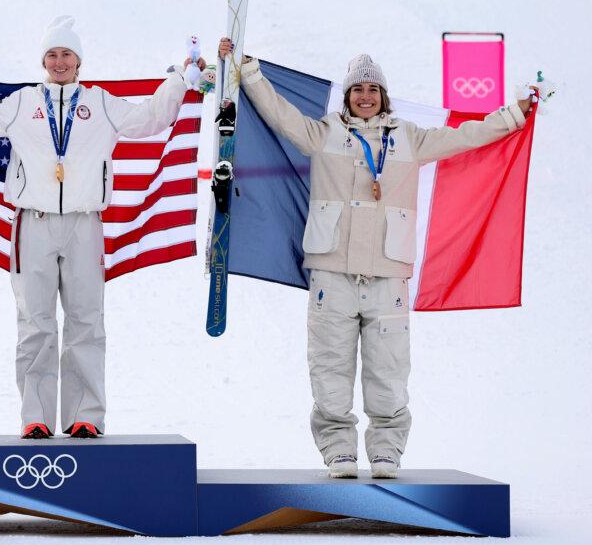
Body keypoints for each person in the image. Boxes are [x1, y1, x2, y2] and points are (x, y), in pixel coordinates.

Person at [218, 38, 531, 478]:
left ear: (383, 95)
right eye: (357, 89)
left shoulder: (409, 139)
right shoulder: (325, 133)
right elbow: (281, 117)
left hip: (388, 276)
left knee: (389, 371)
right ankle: (338, 450)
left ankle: (386, 450)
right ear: (347, 96)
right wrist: (248, 71)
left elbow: (466, 136)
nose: (365, 96)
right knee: (330, 368)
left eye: (373, 89)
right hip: (333, 275)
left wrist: (513, 114)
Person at [0, 16, 199, 438]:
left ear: (79, 60)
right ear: (43, 60)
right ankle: (35, 416)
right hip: (32, 223)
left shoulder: (101, 103)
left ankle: (85, 417)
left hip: (84, 224)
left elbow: (149, 120)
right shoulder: (23, 103)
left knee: (86, 322)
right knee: (35, 323)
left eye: (67, 55)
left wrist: (180, 80)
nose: (60, 62)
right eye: (52, 55)